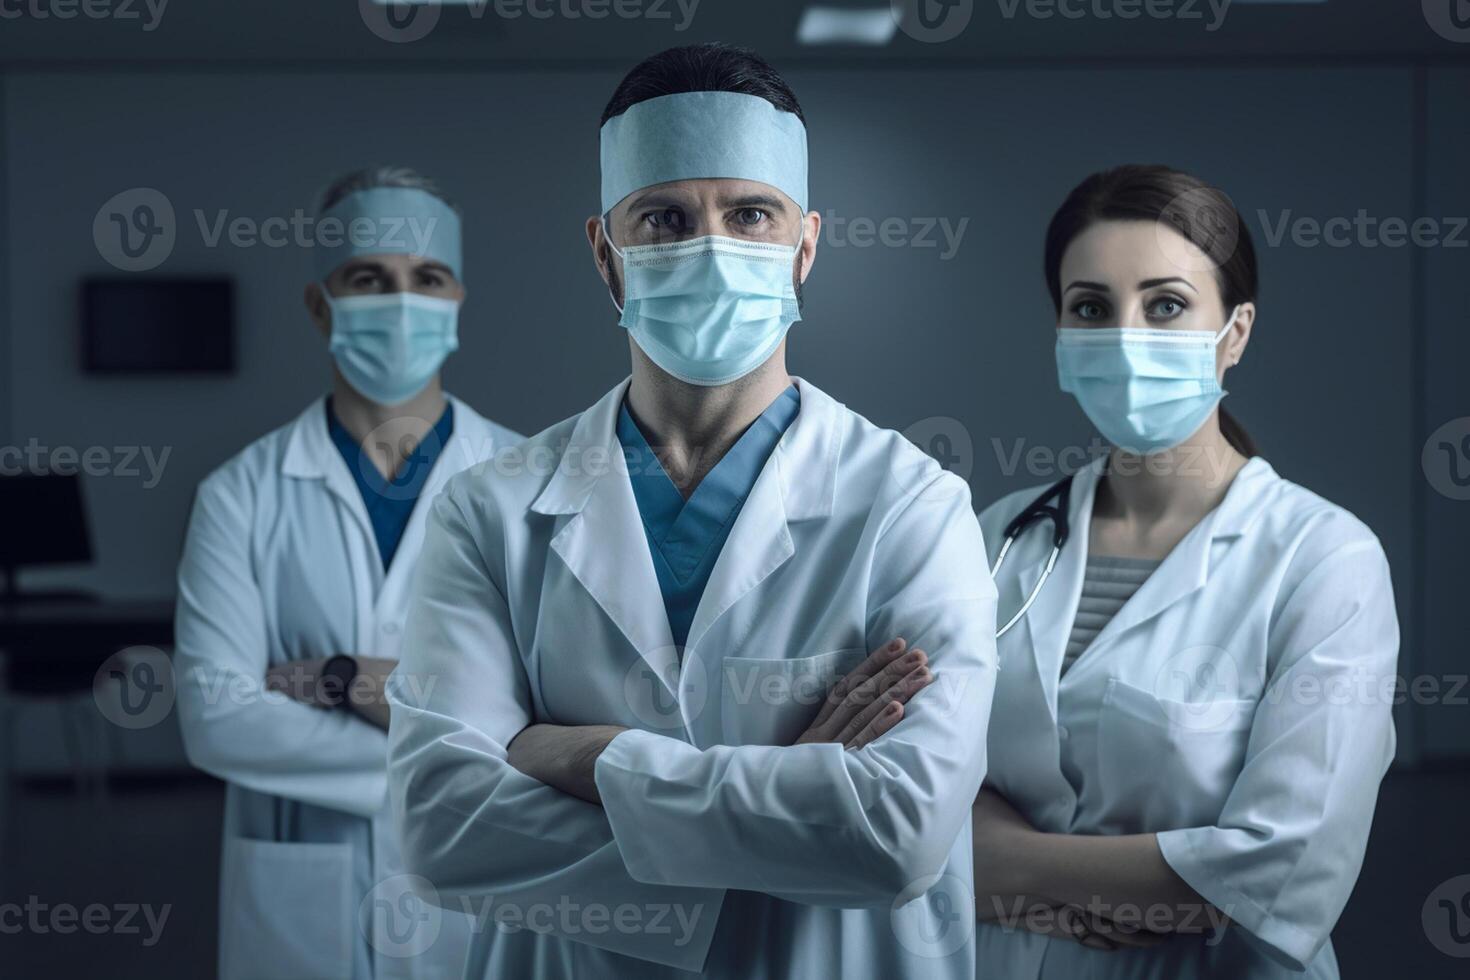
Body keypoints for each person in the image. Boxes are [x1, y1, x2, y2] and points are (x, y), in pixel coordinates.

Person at [386, 43, 998, 980]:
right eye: (664, 217)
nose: (710, 246)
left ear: (805, 246)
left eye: (751, 214)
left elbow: (899, 835)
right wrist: (795, 796)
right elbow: (441, 826)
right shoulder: (488, 509)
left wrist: (591, 758)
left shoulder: (911, 504)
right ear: (606, 254)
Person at [968, 164, 1398, 978]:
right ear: (1060, 333)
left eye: (1165, 304)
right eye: (1091, 307)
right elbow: (912, 782)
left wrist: (1001, 860)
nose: (1126, 336)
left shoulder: (1324, 561)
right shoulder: (1000, 536)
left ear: (1233, 333)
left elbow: (1280, 867)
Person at [174, 167, 521, 980]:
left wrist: (340, 680)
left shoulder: (530, 483)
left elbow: (567, 710)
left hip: (477, 894)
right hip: (305, 899)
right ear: (318, 305)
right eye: (368, 279)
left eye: (426, 278)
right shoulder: (240, 494)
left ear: (457, 300)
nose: (401, 302)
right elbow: (215, 717)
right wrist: (452, 738)